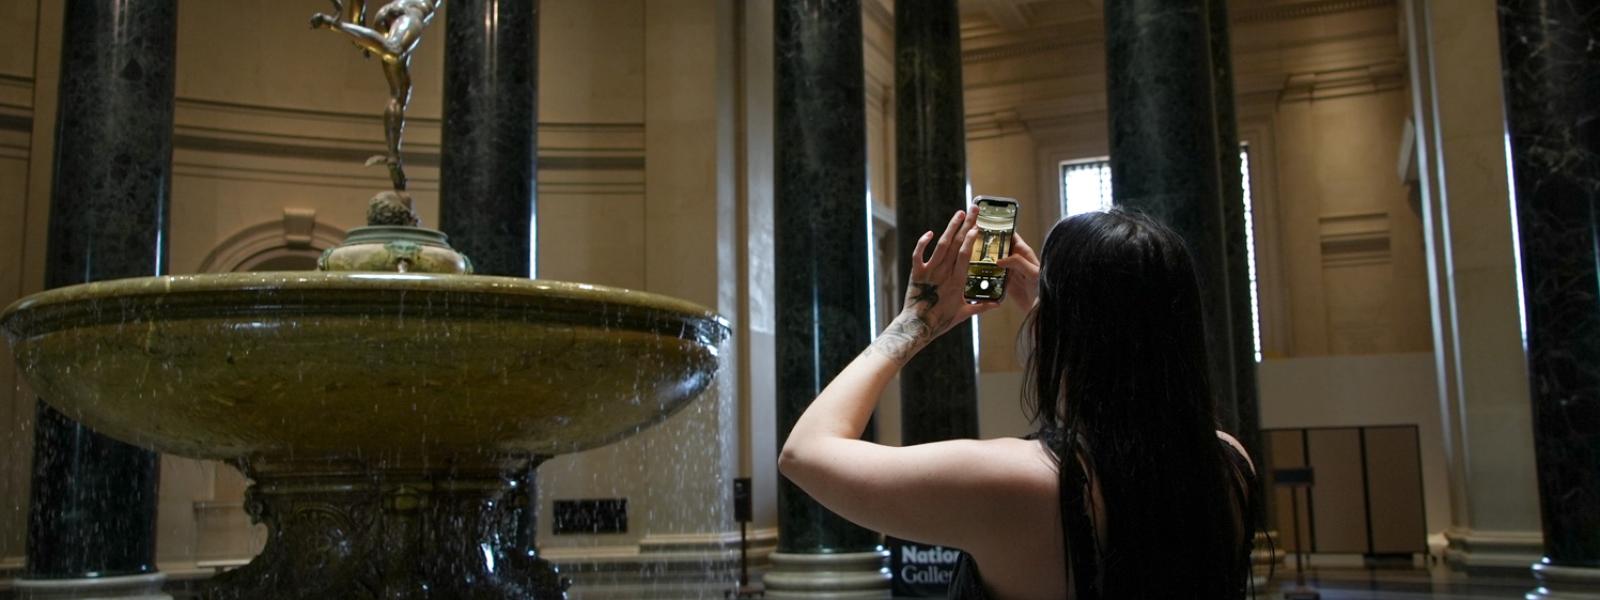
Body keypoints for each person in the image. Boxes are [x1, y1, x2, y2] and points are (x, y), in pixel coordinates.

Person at [779, 207, 1257, 599]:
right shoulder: (1229, 465)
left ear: (1061, 331)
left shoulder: (1021, 484)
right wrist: (1052, 314)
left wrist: (915, 321)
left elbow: (805, 453)